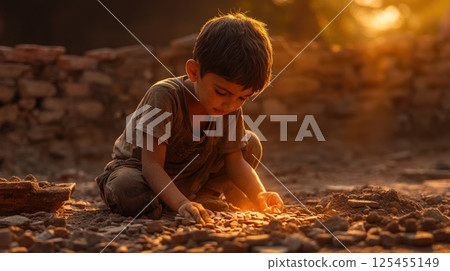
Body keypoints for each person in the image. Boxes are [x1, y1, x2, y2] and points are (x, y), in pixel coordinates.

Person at [95, 12, 284, 225]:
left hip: (193, 175)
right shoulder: (165, 96)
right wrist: (182, 203)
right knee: (128, 188)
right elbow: (152, 166)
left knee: (250, 145)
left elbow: (235, 162)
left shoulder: (229, 107)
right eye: (222, 92)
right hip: (142, 172)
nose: (230, 104)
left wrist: (259, 194)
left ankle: (204, 196)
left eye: (243, 97)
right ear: (194, 71)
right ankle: (179, 202)